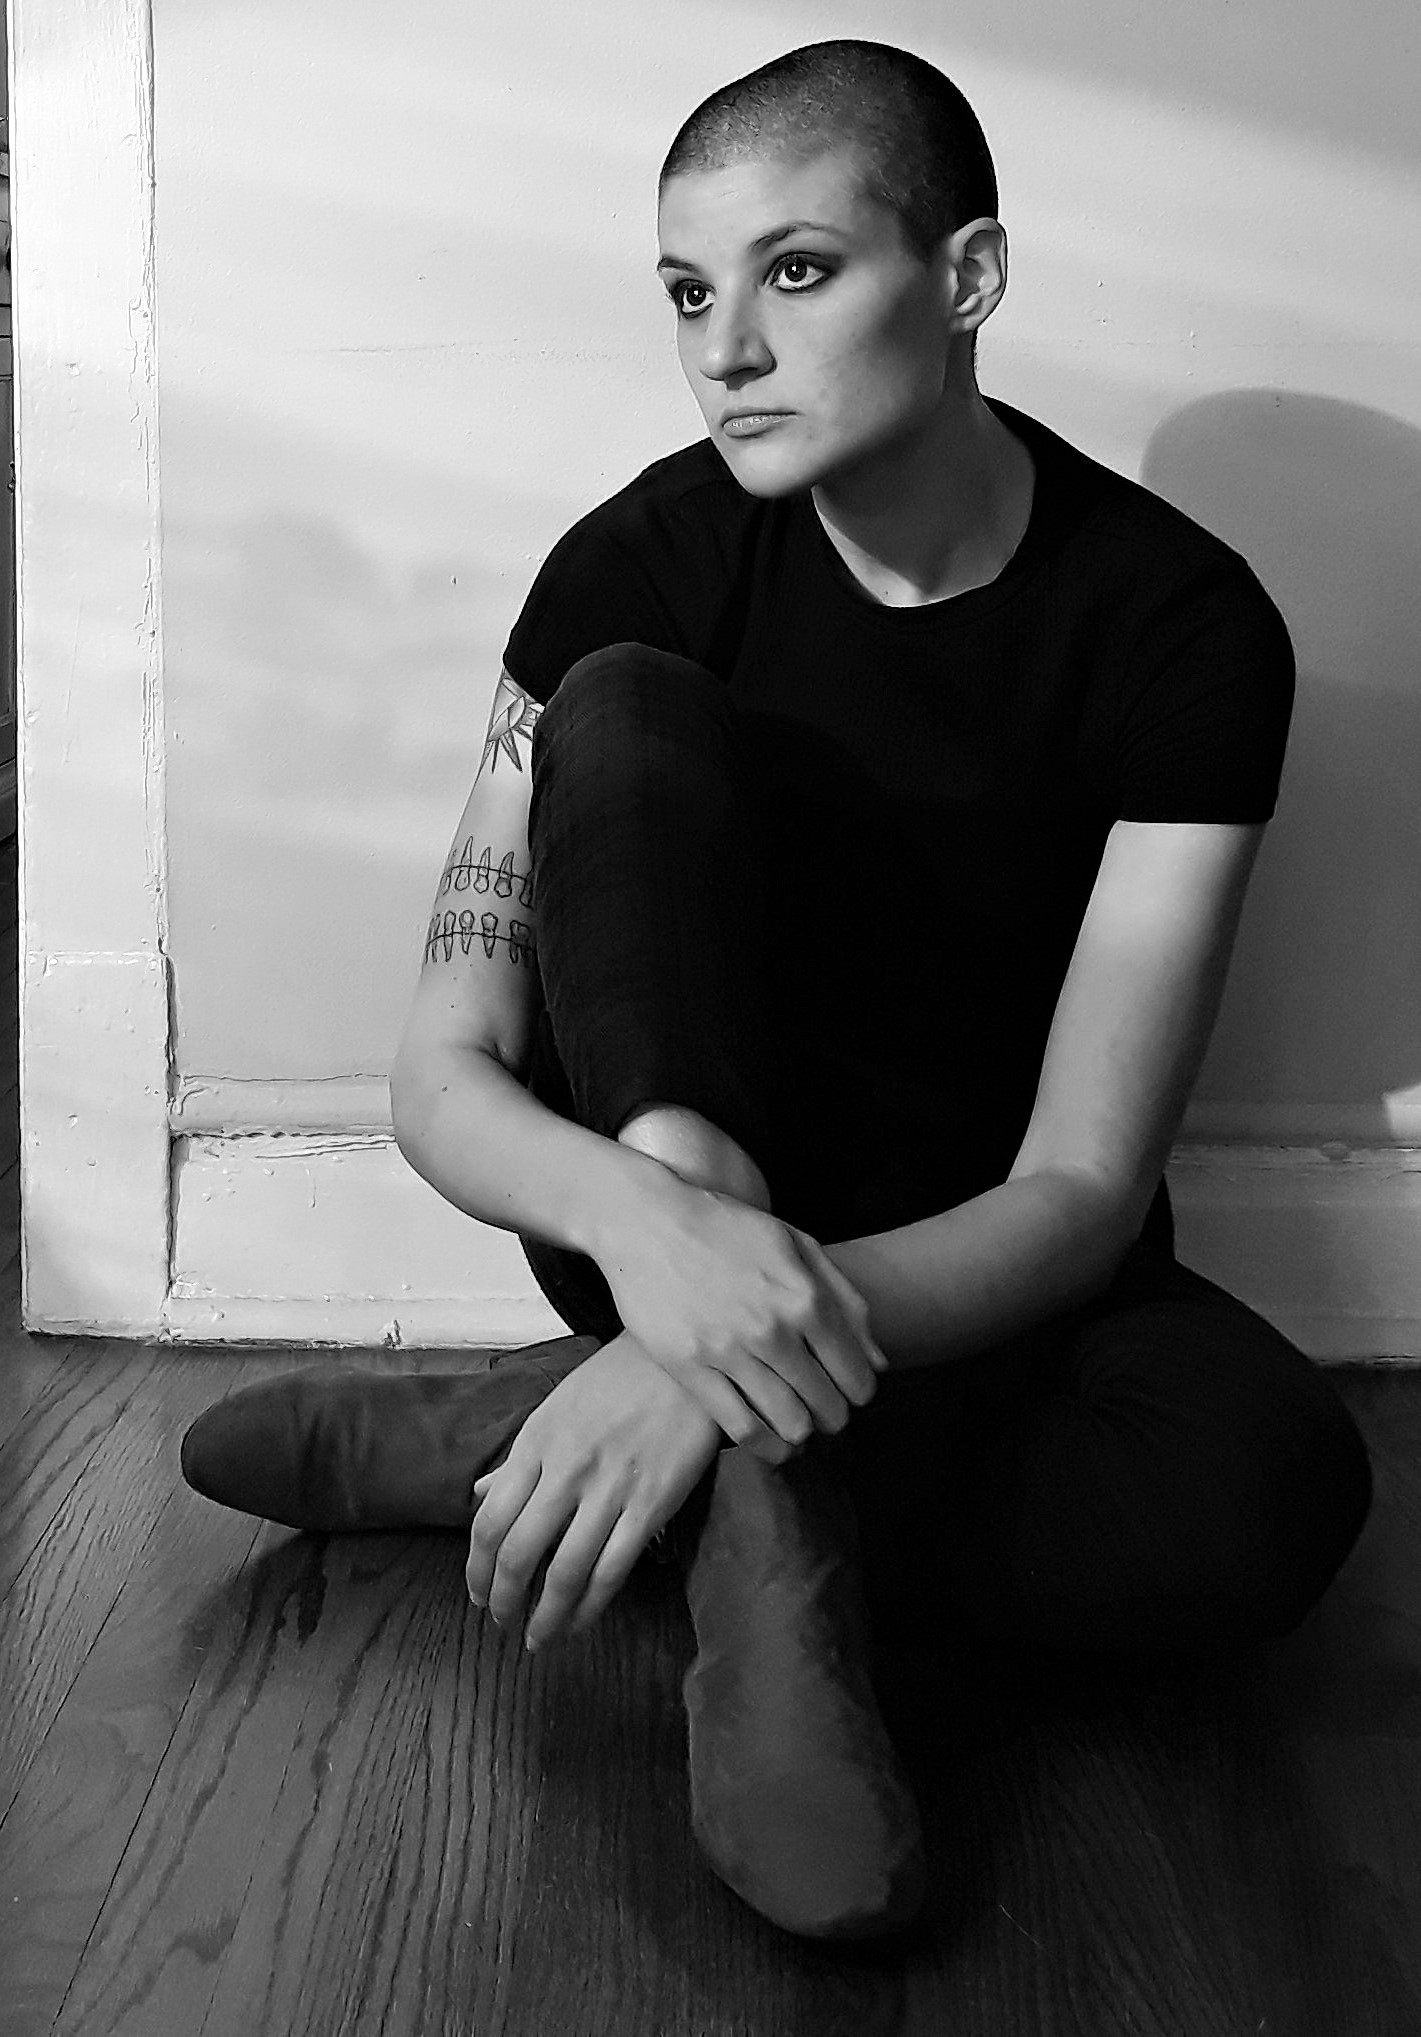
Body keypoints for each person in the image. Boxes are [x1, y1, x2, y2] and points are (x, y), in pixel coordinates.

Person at [181, 40, 1373, 1941]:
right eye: (684, 293)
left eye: (795, 271)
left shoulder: (1178, 623)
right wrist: (672, 1256)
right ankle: (759, 1553)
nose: (723, 349)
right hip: (649, 1207)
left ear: (967, 276)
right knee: (626, 707)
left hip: (970, 1275)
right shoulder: (634, 566)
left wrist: (714, 1352)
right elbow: (447, 1065)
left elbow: (1079, 1188)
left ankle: (575, 1454)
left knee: (1266, 1491)